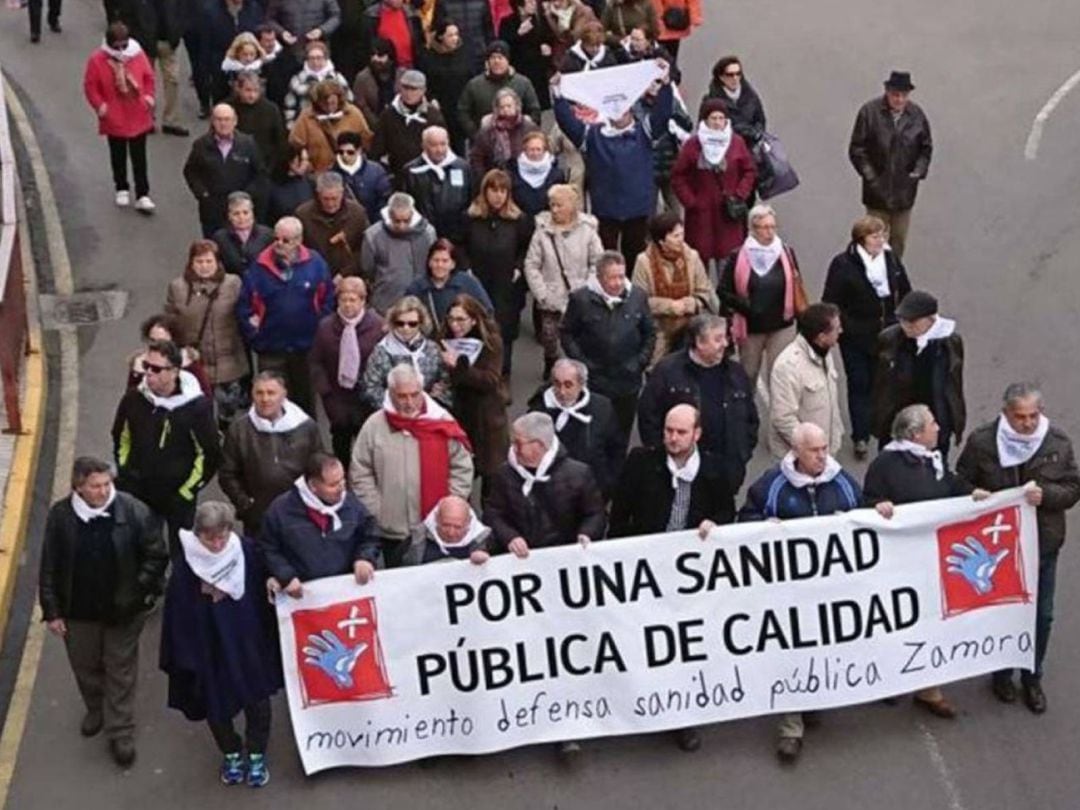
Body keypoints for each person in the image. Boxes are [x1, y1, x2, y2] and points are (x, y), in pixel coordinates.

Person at [736, 422, 862, 762]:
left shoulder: (843, 482)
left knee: (824, 649)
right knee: (792, 655)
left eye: (825, 449)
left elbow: (864, 517)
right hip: (788, 596)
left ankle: (814, 699)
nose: (823, 456)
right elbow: (744, 522)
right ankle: (790, 728)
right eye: (815, 450)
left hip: (831, 592)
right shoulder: (771, 486)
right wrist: (763, 529)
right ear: (796, 452)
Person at [956, 383, 1080, 714]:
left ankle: (1031, 676)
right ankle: (1001, 673)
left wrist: (1048, 496)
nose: (1026, 424)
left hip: (1042, 544)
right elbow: (961, 480)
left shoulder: (1056, 442)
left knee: (1042, 615)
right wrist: (976, 494)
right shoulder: (983, 441)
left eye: (1032, 416)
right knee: (1002, 612)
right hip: (998, 549)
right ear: (1006, 413)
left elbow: (1072, 487)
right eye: (1019, 417)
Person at [39, 457, 168, 767]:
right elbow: (49, 567)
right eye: (95, 486)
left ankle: (120, 730)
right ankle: (96, 707)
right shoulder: (60, 516)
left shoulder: (133, 510)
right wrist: (52, 611)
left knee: (120, 667)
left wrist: (136, 591)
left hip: (122, 611)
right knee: (85, 665)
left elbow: (156, 555)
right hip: (78, 611)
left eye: (106, 484)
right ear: (78, 487)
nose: (102, 491)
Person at [863, 404, 989, 719]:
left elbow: (950, 485)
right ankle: (893, 679)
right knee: (899, 621)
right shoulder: (885, 465)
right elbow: (867, 501)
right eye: (933, 424)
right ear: (916, 434)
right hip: (899, 562)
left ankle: (928, 687)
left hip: (933, 559)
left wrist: (973, 493)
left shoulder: (933, 460)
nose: (938, 428)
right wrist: (879, 506)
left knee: (933, 620)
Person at [159, 501, 281, 788]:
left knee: (258, 702)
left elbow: (264, 582)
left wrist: (274, 582)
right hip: (209, 648)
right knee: (216, 707)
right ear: (198, 534)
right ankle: (231, 752)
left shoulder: (247, 552)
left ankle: (255, 753)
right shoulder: (187, 567)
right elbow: (177, 613)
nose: (216, 544)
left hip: (247, 642)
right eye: (209, 538)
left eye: (222, 536)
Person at [350, 365, 474, 567]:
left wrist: (450, 506)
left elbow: (462, 467)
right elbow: (360, 471)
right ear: (390, 394)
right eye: (402, 396)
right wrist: (377, 510)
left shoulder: (441, 422)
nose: (409, 403)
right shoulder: (374, 426)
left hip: (436, 529)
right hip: (392, 531)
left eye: (414, 395)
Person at [552, 63, 673, 265]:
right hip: (605, 209)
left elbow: (663, 112)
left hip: (639, 209)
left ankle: (631, 293)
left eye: (624, 110)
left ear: (631, 111)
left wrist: (666, 83)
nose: (620, 114)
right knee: (606, 259)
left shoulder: (645, 131)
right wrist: (557, 94)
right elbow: (567, 123)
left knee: (635, 257)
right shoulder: (592, 134)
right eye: (615, 111)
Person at [112, 339, 221, 554]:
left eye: (156, 369)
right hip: (139, 491)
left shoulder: (196, 409)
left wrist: (185, 492)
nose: (149, 374)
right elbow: (121, 436)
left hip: (177, 498)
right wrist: (126, 471)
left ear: (174, 371)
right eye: (146, 367)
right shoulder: (134, 398)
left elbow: (209, 455)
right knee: (141, 549)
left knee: (181, 552)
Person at [822, 214, 912, 459]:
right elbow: (831, 301)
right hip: (856, 338)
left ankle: (881, 428)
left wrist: (904, 320)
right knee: (859, 384)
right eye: (875, 235)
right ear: (861, 240)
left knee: (883, 384)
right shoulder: (843, 265)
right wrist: (847, 328)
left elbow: (904, 290)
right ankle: (860, 435)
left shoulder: (891, 260)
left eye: (882, 234)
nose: (881, 239)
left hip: (887, 334)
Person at [638, 314, 758, 492]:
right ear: (699, 342)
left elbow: (751, 419)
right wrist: (663, 456)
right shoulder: (667, 371)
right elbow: (648, 418)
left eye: (725, 337)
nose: (725, 344)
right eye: (717, 339)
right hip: (679, 471)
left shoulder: (736, 373)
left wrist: (741, 454)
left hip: (724, 474)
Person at [236, 215, 336, 415]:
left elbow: (328, 299)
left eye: (286, 240)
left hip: (306, 349)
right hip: (271, 349)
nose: (279, 244)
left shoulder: (316, 264)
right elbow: (245, 307)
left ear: (299, 240)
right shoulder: (258, 268)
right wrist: (256, 336)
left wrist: (318, 331)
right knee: (270, 403)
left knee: (304, 403)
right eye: (276, 239)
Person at [483, 409, 606, 558]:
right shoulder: (504, 475)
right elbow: (493, 514)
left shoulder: (579, 474)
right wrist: (510, 537)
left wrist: (587, 534)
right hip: (520, 560)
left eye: (518, 443)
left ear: (539, 445)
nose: (513, 449)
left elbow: (595, 513)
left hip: (565, 557)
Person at [561, 250, 655, 441]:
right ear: (599, 277)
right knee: (593, 435)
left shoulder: (637, 297)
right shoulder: (581, 300)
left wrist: (639, 363)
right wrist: (582, 364)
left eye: (621, 276)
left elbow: (649, 333)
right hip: (594, 382)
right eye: (612, 278)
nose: (618, 283)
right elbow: (566, 332)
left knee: (621, 436)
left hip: (627, 382)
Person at [260, 452, 381, 594]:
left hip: (345, 593)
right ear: (313, 486)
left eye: (343, 479)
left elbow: (370, 535)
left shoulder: (351, 504)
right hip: (303, 596)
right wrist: (285, 576)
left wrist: (365, 558)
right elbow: (267, 548)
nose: (342, 488)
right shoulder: (280, 511)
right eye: (333, 484)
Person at [219, 371, 323, 533]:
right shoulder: (239, 430)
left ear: (283, 394)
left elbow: (318, 468)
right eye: (259, 393)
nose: (265, 399)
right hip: (258, 518)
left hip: (300, 514)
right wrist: (246, 504)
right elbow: (227, 474)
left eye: (271, 393)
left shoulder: (305, 427)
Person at [164, 240, 251, 426]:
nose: (204, 266)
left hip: (229, 360)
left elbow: (246, 313)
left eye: (209, 261)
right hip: (196, 361)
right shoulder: (178, 287)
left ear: (217, 262)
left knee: (229, 412)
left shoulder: (233, 284)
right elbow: (170, 322)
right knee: (200, 414)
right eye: (199, 262)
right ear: (191, 263)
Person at [848, 71, 932, 260]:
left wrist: (917, 173)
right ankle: (872, 280)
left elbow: (925, 149)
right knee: (873, 241)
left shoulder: (917, 116)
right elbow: (857, 150)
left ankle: (894, 281)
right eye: (895, 94)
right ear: (887, 91)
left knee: (898, 242)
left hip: (904, 195)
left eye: (903, 95)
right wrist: (871, 177)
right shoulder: (869, 113)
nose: (899, 99)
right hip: (877, 194)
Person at [523, 183, 604, 379]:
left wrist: (587, 289)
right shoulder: (542, 232)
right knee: (550, 339)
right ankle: (551, 365)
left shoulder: (587, 231)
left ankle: (578, 374)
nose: (554, 209)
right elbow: (532, 265)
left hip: (581, 297)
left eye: (559, 205)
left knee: (581, 339)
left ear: (572, 206)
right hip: (552, 298)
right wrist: (542, 294)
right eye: (552, 205)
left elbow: (598, 262)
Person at [871, 290, 964, 455]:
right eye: (902, 320)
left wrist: (954, 420)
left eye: (912, 321)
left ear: (931, 319)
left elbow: (954, 384)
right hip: (898, 420)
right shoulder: (890, 339)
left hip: (935, 420)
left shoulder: (950, 342)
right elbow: (880, 382)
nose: (906, 325)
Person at [718, 203, 801, 388]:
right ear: (752, 229)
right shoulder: (738, 255)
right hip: (751, 327)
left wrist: (802, 320)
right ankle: (747, 415)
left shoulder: (786, 253)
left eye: (773, 226)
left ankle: (780, 417)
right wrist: (747, 307)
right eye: (764, 227)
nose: (770, 232)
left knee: (781, 378)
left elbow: (797, 286)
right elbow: (723, 290)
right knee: (748, 376)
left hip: (781, 325)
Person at [671, 98, 757, 272]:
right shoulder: (693, 145)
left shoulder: (736, 142)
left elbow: (749, 171)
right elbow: (678, 176)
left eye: (721, 118)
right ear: (705, 120)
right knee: (699, 264)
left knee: (728, 263)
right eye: (713, 118)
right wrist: (691, 201)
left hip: (728, 214)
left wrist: (740, 194)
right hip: (701, 216)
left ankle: (726, 299)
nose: (718, 122)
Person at [464, 169, 534, 376]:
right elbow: (459, 244)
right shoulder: (471, 218)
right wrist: (466, 267)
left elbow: (527, 247)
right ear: (484, 192)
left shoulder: (518, 220)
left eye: (503, 191)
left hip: (506, 284)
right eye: (493, 190)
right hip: (477, 281)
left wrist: (518, 268)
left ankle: (503, 375)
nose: (498, 196)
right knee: (476, 326)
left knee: (505, 330)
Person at [437, 294, 510, 491]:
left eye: (461, 319)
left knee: (491, 480)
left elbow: (490, 380)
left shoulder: (491, 343)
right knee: (459, 480)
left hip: (486, 419)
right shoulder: (443, 340)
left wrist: (460, 366)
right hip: (458, 416)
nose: (455, 325)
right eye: (451, 319)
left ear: (474, 320)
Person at [83, 22, 157, 213]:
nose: (121, 50)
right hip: (114, 114)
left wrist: (148, 98)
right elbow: (90, 86)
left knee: (139, 155)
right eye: (117, 46)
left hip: (137, 111)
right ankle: (121, 187)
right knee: (118, 153)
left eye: (124, 45)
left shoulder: (137, 55)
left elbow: (149, 77)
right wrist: (101, 107)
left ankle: (143, 194)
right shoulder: (97, 59)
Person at [310, 277, 385, 465]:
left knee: (367, 448)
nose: (348, 305)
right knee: (341, 444)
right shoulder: (325, 327)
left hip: (366, 399)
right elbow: (316, 362)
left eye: (353, 299)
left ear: (363, 300)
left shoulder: (378, 326)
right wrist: (326, 393)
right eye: (343, 299)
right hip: (337, 398)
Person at [527, 359, 624, 501]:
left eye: (568, 385)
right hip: (549, 492)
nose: (562, 391)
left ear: (581, 385)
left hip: (589, 490)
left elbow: (616, 448)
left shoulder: (602, 409)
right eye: (557, 384)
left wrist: (607, 483)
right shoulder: (538, 411)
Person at [632, 210, 717, 367]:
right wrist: (669, 306)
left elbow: (704, 292)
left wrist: (690, 303)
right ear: (661, 241)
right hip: (658, 329)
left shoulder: (692, 257)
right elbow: (638, 300)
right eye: (675, 236)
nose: (681, 240)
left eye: (681, 235)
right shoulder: (643, 262)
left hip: (689, 326)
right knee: (657, 370)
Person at [768, 302, 845, 458]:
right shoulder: (788, 366)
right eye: (837, 329)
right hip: (802, 457)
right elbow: (783, 418)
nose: (841, 331)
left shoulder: (824, 353)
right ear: (821, 337)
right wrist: (813, 450)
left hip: (825, 452)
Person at [183, 103, 267, 238]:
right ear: (212, 122)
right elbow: (190, 172)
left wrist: (246, 196)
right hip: (212, 212)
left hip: (240, 212)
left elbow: (260, 174)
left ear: (235, 121)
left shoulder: (248, 144)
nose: (223, 124)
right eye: (219, 119)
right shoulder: (201, 145)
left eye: (227, 119)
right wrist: (203, 194)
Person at [362, 295, 451, 407]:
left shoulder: (432, 348)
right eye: (400, 323)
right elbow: (370, 388)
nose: (406, 328)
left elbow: (446, 382)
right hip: (392, 412)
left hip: (429, 413)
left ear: (421, 323)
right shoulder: (382, 350)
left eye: (412, 324)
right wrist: (397, 404)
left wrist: (436, 397)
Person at [360, 192, 438, 313]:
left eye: (406, 221)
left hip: (421, 303)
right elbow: (367, 269)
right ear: (390, 215)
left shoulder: (428, 233)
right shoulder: (373, 235)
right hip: (384, 304)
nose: (402, 226)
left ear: (412, 214)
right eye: (397, 221)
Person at [368, 69, 448, 184]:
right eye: (405, 88)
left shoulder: (433, 116)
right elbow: (377, 149)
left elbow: (444, 149)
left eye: (414, 89)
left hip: (427, 176)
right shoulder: (388, 115)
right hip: (397, 175)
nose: (408, 93)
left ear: (423, 90)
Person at [458, 40, 543, 142]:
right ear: (488, 61)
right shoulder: (474, 85)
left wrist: (525, 133)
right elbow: (463, 111)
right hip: (485, 143)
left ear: (507, 60)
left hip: (517, 141)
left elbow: (535, 111)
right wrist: (475, 134)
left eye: (500, 57)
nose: (496, 61)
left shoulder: (523, 83)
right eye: (493, 58)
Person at [403, 126, 473, 245]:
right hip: (422, 237)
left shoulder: (463, 168)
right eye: (434, 145)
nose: (439, 149)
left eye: (443, 144)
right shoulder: (411, 171)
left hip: (457, 238)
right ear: (424, 146)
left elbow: (470, 199)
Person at [404, 239, 493, 329]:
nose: (440, 265)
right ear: (429, 262)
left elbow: (487, 311)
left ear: (453, 264)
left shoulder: (468, 283)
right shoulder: (417, 287)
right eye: (436, 260)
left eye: (445, 261)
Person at [295, 172, 369, 279]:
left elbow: (364, 251)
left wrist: (345, 273)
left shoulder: (357, 214)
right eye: (325, 199)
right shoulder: (303, 215)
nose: (330, 204)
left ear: (342, 193)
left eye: (334, 198)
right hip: (314, 276)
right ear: (318, 194)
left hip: (349, 277)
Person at [288, 80, 372, 173]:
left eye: (332, 103)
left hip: (349, 173)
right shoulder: (307, 117)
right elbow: (295, 144)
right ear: (317, 101)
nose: (329, 107)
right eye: (324, 103)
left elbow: (366, 141)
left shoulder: (353, 113)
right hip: (318, 174)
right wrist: (306, 163)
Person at [126, 313, 212, 396]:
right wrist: (138, 374)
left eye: (163, 342)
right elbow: (130, 398)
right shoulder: (140, 363)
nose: (157, 346)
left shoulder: (190, 365)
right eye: (152, 341)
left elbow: (205, 397)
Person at [419, 21, 473, 153]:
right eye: (450, 35)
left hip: (461, 104)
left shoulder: (464, 53)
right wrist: (431, 98)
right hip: (440, 106)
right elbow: (425, 81)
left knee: (460, 144)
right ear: (441, 37)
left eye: (456, 34)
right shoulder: (428, 56)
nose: (455, 38)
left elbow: (471, 76)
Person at [202, 2, 267, 105]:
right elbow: (206, 45)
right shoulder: (211, 11)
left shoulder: (254, 8)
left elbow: (259, 37)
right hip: (221, 72)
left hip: (251, 72)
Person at [469, 88, 541, 176]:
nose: (506, 109)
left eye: (509, 106)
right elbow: (476, 157)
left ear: (517, 106)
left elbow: (542, 150)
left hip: (525, 176)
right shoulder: (487, 130)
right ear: (496, 109)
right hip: (495, 179)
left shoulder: (529, 128)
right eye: (502, 107)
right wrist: (484, 178)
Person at [402, 495, 491, 566]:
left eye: (457, 527)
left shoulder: (486, 542)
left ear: (469, 523)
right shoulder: (416, 540)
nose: (451, 533)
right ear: (436, 518)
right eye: (446, 525)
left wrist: (485, 563)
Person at [229, 71, 289, 175]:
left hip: (264, 164)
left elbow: (279, 140)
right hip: (235, 164)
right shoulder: (228, 108)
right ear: (238, 88)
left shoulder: (271, 109)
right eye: (248, 90)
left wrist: (271, 167)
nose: (252, 95)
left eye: (256, 90)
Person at [498, 0, 554, 111]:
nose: (534, 4)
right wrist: (519, 33)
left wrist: (547, 47)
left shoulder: (538, 20)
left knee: (540, 107)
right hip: (519, 69)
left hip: (538, 71)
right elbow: (503, 45)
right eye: (530, 2)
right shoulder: (507, 22)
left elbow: (548, 37)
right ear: (520, 6)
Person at [282, 40, 352, 127]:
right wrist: (291, 127)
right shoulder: (298, 79)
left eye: (319, 58)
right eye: (312, 58)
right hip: (307, 125)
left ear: (325, 58)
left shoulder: (337, 78)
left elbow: (349, 101)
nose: (315, 62)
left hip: (335, 125)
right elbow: (289, 106)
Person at [704, 56, 766, 149]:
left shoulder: (751, 96)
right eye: (730, 74)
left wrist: (756, 133)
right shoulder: (711, 101)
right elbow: (706, 130)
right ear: (721, 77)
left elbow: (760, 120)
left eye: (738, 74)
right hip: (726, 151)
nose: (735, 78)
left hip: (751, 148)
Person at [330, 131, 392, 223]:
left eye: (350, 152)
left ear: (359, 150)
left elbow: (384, 199)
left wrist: (377, 223)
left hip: (373, 223)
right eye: (341, 152)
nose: (344, 155)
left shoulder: (376, 171)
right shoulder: (331, 175)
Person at [212, 191, 276, 277]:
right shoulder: (220, 238)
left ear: (252, 213)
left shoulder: (268, 234)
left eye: (245, 212)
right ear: (229, 216)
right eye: (236, 213)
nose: (241, 217)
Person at [510, 130, 565, 218]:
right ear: (525, 150)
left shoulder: (557, 175)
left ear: (544, 150)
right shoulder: (513, 173)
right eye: (531, 149)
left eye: (538, 149)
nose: (535, 153)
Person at [352, 37, 404, 130]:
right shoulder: (362, 78)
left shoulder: (402, 75)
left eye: (380, 55)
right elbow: (361, 106)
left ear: (390, 57)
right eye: (373, 55)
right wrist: (378, 126)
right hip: (373, 127)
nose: (375, 59)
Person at [359, 0, 425, 70]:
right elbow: (364, 48)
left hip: (412, 70)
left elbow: (420, 44)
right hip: (386, 72)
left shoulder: (411, 14)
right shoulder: (371, 17)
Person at [267, 0, 342, 59]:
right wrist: (282, 32)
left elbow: (335, 17)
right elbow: (270, 19)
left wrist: (321, 30)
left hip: (317, 51)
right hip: (290, 51)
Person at [433, 0, 495, 72]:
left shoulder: (482, 2)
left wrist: (490, 56)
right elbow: (437, 31)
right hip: (452, 59)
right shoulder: (443, 2)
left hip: (478, 57)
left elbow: (489, 32)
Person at [267, 143, 317, 222]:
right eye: (303, 160)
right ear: (291, 162)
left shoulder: (310, 183)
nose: (306, 164)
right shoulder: (270, 187)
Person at [541, 0, 594, 69]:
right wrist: (550, 17)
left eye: (561, 1)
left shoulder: (582, 11)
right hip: (561, 56)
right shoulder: (551, 14)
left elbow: (575, 37)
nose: (556, 4)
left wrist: (561, 18)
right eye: (553, 1)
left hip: (583, 53)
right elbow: (558, 37)